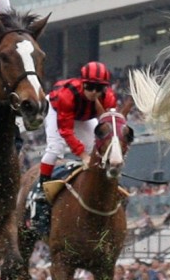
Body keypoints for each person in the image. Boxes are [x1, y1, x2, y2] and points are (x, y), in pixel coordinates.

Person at [30, 61, 119, 228]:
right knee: (56, 148)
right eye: (90, 86)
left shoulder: (109, 98)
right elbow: (66, 131)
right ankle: (42, 188)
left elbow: (111, 127)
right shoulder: (67, 95)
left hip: (83, 116)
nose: (94, 92)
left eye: (99, 88)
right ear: (82, 83)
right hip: (57, 110)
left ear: (105, 89)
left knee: (97, 147)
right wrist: (83, 156)